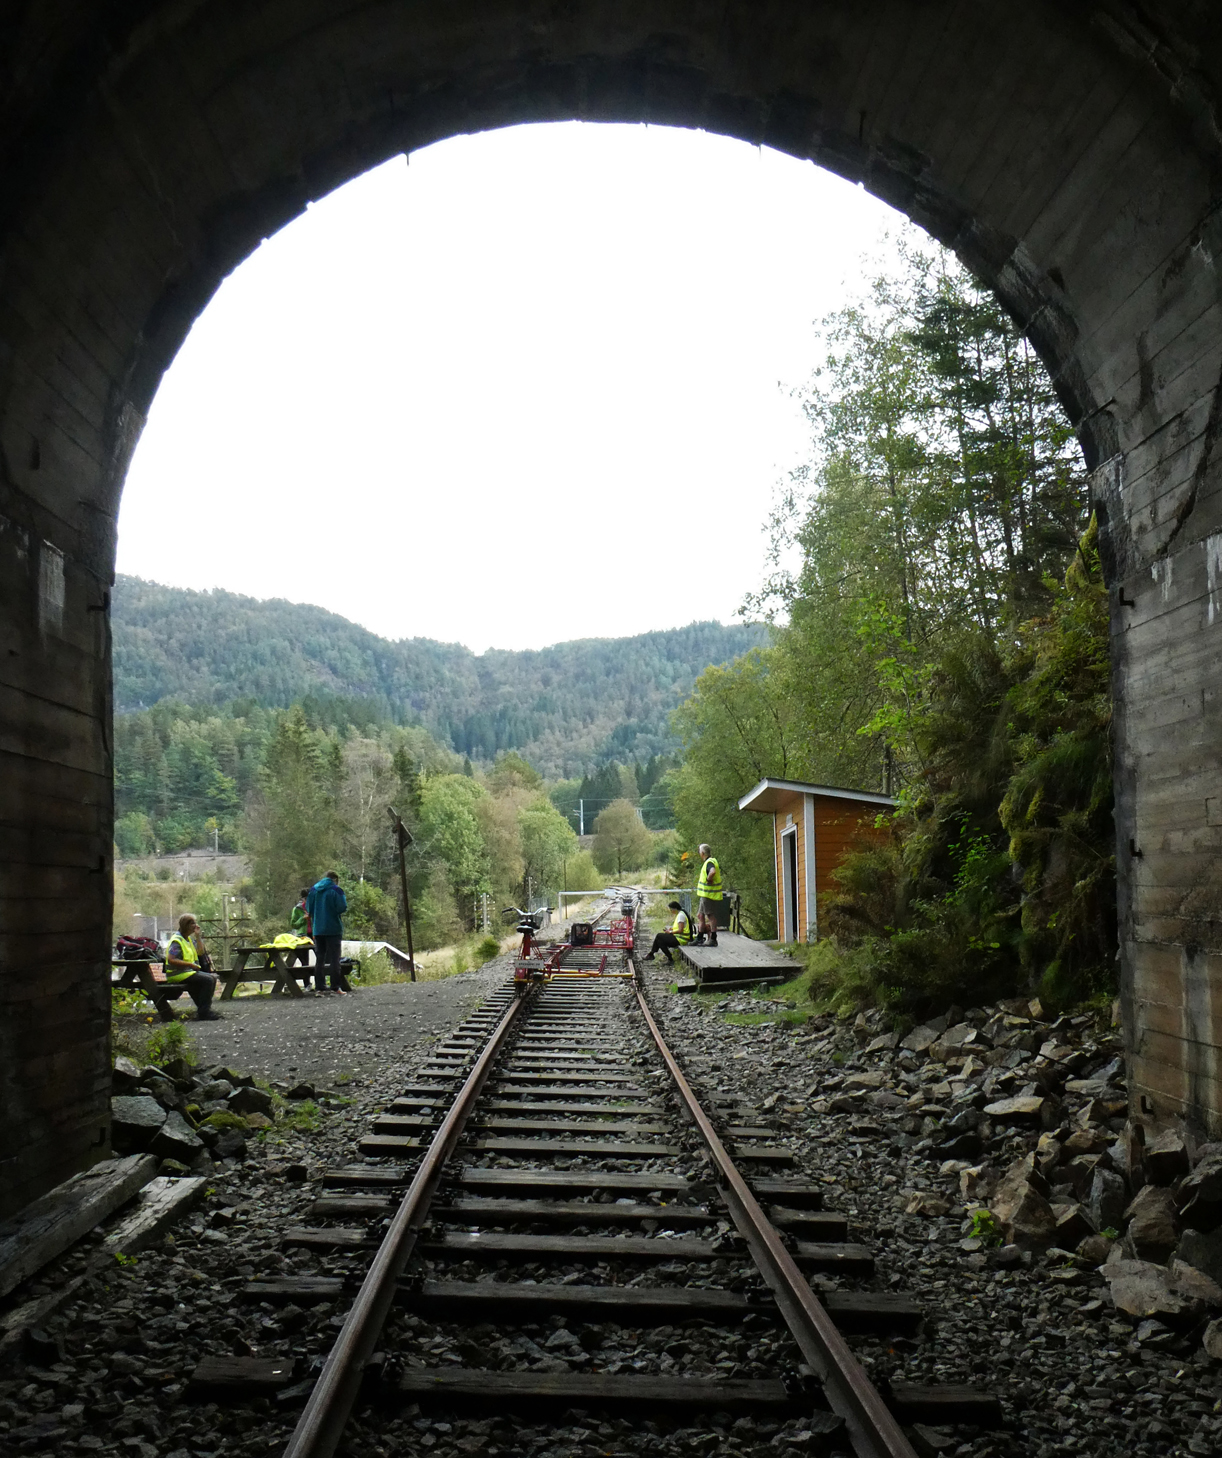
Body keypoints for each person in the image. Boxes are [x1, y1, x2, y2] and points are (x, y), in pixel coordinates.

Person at [164, 913, 221, 1020]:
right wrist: (190, 964)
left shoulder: (188, 939)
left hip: (188, 972)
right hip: (178, 974)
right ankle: (204, 1012)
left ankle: (204, 1010)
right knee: (208, 980)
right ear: (186, 925)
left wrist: (198, 937)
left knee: (212, 978)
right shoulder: (177, 941)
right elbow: (171, 959)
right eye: (192, 923)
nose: (195, 925)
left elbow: (200, 952)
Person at [308, 871, 348, 994]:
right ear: (335, 879)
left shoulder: (313, 890)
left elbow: (309, 908)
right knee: (335, 958)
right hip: (333, 928)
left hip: (318, 929)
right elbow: (342, 907)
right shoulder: (336, 890)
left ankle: (320, 987)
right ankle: (336, 986)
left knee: (320, 958)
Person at [643, 901, 694, 965]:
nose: (671, 911)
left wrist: (670, 932)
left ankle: (654, 955)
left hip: (681, 939)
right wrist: (672, 929)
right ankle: (662, 956)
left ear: (675, 909)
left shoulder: (680, 916)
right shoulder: (681, 913)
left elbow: (680, 930)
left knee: (659, 936)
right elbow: (681, 927)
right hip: (679, 937)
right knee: (659, 941)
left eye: (671, 909)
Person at [694, 842, 722, 947]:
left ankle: (713, 938)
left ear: (702, 853)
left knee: (710, 916)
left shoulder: (709, 863)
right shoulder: (710, 861)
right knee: (700, 915)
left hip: (708, 895)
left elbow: (712, 872)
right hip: (705, 895)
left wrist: (708, 879)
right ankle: (700, 937)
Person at [289, 887, 315, 989]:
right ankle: (307, 984)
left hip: (314, 934)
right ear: (303, 899)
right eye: (308, 898)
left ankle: (322, 983)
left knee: (321, 957)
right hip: (302, 935)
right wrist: (302, 919)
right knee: (305, 961)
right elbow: (293, 924)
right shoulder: (297, 909)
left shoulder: (314, 907)